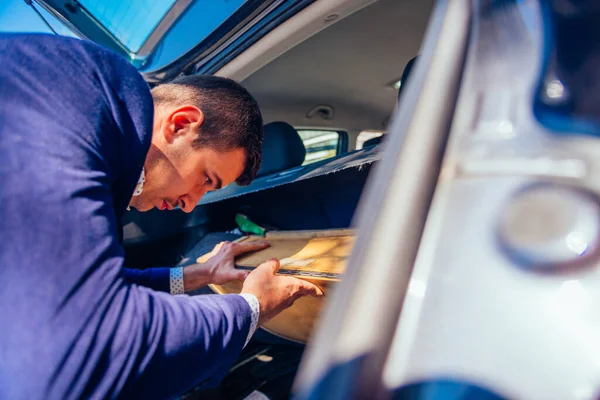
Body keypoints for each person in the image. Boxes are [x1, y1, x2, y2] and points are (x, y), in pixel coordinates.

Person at [0, 33, 322, 399]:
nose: (189, 205)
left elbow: (82, 282)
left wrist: (197, 275)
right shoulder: (59, 113)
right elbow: (88, 340)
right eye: (205, 179)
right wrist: (252, 308)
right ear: (181, 124)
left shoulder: (79, 101)